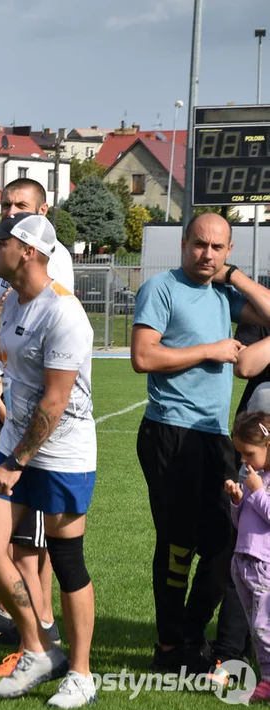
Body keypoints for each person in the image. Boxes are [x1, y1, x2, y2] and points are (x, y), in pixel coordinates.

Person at [0, 213, 97, 709]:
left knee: (66, 562)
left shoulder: (64, 312)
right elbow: (3, 349)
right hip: (17, 442)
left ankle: (81, 674)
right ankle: (40, 647)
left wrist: (17, 461)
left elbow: (55, 402)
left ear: (27, 250)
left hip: (61, 451)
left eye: (0, 242)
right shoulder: (15, 299)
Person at [131, 212, 270, 674]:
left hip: (215, 437)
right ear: (184, 242)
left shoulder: (226, 293)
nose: (206, 254)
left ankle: (192, 633)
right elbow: (143, 355)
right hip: (170, 430)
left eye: (217, 248)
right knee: (177, 545)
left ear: (228, 251)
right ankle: (170, 647)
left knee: (225, 545)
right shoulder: (162, 288)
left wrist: (237, 278)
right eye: (199, 245)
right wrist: (210, 350)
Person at [0, 178, 69, 647]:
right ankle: (36, 642)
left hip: (38, 438)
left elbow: (51, 392)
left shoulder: (57, 292)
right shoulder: (13, 288)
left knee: (37, 551)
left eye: (18, 210)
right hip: (10, 425)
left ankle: (44, 639)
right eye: (5, 205)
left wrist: (18, 459)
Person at [224, 411, 270, 704]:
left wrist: (258, 493)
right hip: (243, 561)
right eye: (240, 453)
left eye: (248, 453)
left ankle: (267, 679)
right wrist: (238, 501)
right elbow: (242, 523)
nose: (243, 461)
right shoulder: (258, 479)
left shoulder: (262, 483)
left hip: (263, 565)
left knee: (263, 625)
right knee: (255, 625)